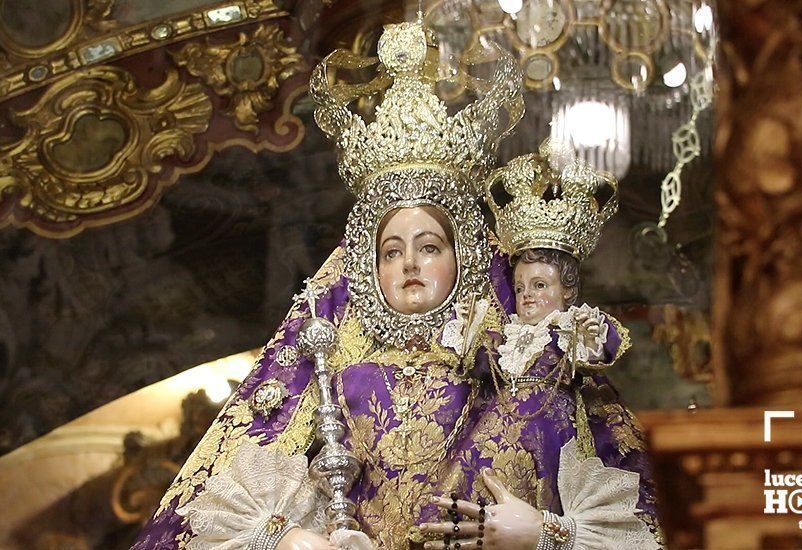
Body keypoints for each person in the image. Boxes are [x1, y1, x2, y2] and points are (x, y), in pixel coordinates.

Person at [133, 17, 661, 550]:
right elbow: (216, 513)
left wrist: (546, 533)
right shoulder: (333, 372)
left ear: (465, 255)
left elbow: (631, 525)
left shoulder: (528, 365)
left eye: (429, 247)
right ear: (367, 266)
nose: (409, 264)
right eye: (392, 251)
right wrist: (289, 537)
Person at [422, 143, 661, 549]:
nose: (528, 296)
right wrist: (470, 330)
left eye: (540, 285)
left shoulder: (569, 328)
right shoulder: (508, 336)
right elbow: (477, 366)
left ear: (568, 291)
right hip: (494, 437)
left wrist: (585, 335)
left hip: (558, 434)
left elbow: (602, 346)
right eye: (520, 288)